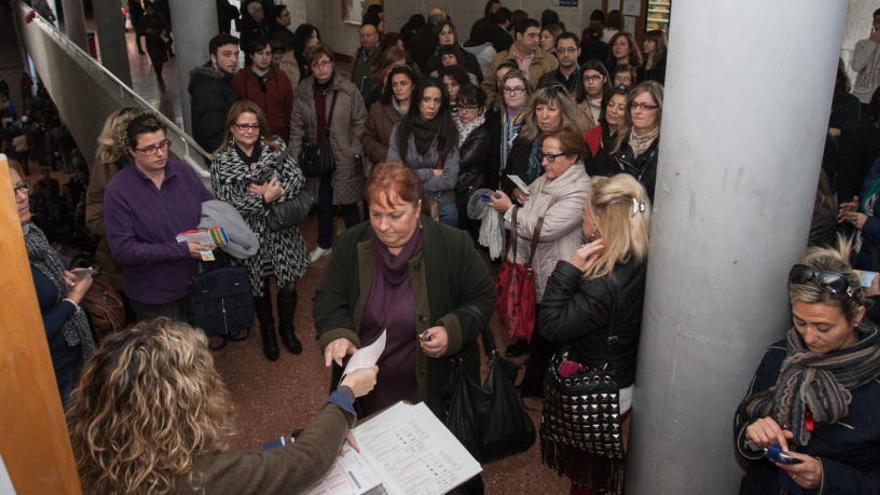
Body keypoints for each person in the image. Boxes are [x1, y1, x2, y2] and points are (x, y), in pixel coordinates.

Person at [67, 317, 379, 494]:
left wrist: (286, 442)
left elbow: (246, 469)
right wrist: (346, 393)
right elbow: (305, 462)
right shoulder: (196, 478)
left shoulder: (105, 454)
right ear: (181, 403)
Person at [314, 162, 494, 418]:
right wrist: (337, 333)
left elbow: (483, 297)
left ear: (418, 208)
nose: (383, 226)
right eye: (376, 214)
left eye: (395, 215)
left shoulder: (454, 245)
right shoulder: (351, 243)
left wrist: (452, 329)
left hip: (433, 388)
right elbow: (329, 296)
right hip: (367, 389)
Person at [734, 241, 880, 494]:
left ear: (857, 316)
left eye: (823, 327)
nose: (809, 338)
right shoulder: (779, 355)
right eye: (800, 322)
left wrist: (826, 478)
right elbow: (744, 424)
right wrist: (752, 434)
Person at [540, 173, 650, 495]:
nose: (581, 217)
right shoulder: (636, 256)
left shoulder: (606, 284)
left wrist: (569, 268)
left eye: (585, 212)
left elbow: (551, 325)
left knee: (587, 477)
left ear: (601, 223)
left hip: (598, 392)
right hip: (618, 378)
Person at [488, 128, 591, 393]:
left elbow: (544, 229)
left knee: (549, 331)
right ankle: (532, 364)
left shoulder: (579, 189)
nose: (544, 163)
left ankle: (534, 385)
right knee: (536, 319)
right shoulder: (549, 178)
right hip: (538, 265)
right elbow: (531, 204)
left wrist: (509, 210)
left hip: (556, 268)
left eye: (551, 157)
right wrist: (520, 199)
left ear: (573, 157)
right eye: (544, 155)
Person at [210, 101, 308, 360]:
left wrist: (275, 191)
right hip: (249, 235)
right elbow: (227, 204)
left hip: (282, 230)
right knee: (259, 286)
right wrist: (264, 198)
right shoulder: (221, 162)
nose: (250, 131)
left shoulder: (275, 146)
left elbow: (297, 178)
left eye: (254, 125)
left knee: (288, 284)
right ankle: (268, 332)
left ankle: (287, 329)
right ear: (232, 128)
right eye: (243, 126)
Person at [104, 114, 214, 321]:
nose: (160, 153)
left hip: (198, 283)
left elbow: (209, 208)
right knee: (169, 353)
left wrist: (212, 235)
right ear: (131, 151)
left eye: (163, 144)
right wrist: (182, 250)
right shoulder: (118, 191)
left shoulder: (183, 172)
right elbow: (123, 251)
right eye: (149, 149)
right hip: (155, 298)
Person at [10, 161, 95, 406]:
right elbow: (28, 334)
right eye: (10, 192)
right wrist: (73, 299)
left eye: (22, 186)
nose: (22, 196)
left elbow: (45, 280)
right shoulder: (8, 260)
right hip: (51, 368)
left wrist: (63, 276)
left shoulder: (31, 232)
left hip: (74, 350)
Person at [290, 44, 367, 263]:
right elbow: (296, 128)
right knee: (323, 202)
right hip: (317, 157)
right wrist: (296, 158)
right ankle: (324, 244)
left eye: (325, 63)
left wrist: (354, 151)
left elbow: (361, 121)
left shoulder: (349, 89)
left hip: (344, 155)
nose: (321, 68)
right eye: (316, 64)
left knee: (350, 203)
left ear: (332, 63)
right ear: (310, 68)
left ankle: (358, 246)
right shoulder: (303, 91)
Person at [387, 77, 460, 226]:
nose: (432, 106)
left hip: (442, 207)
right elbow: (394, 173)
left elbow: (450, 179)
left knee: (444, 249)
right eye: (426, 99)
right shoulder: (401, 129)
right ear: (417, 101)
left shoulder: (449, 130)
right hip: (408, 204)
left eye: (437, 100)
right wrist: (430, 172)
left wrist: (410, 178)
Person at [86, 108, 143, 291]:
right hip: (123, 265)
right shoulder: (104, 168)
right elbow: (93, 219)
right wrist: (130, 228)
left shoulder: (163, 158)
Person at [503, 85, 583, 198]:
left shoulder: (572, 144)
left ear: (563, 113)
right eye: (539, 109)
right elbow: (507, 176)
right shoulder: (523, 139)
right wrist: (515, 191)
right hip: (521, 209)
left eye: (551, 109)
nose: (544, 116)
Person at [482, 18, 558, 105]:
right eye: (531, 35)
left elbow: (557, 90)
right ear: (519, 36)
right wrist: (496, 106)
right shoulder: (500, 58)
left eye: (538, 36)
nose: (537, 40)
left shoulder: (550, 60)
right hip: (504, 114)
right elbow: (487, 86)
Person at [609, 81, 663, 201]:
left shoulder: (665, 147)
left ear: (659, 110)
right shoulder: (619, 139)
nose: (637, 111)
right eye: (634, 105)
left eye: (645, 106)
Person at [232, 38, 294, 141]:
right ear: (251, 55)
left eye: (268, 54)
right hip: (249, 137)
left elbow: (289, 107)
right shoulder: (240, 79)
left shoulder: (281, 77)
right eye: (260, 53)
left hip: (279, 136)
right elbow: (236, 111)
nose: (265, 57)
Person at [189, 34, 240, 153]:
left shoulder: (222, 80)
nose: (234, 59)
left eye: (236, 54)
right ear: (213, 57)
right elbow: (214, 136)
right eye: (227, 54)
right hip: (225, 157)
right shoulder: (209, 90)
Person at [454, 84, 493, 235]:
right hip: (456, 187)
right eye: (460, 107)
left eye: (469, 108)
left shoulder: (481, 134)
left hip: (469, 189)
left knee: (466, 231)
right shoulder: (454, 125)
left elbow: (461, 162)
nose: (463, 112)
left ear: (480, 109)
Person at [363, 65, 417, 167]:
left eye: (403, 83)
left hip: (417, 171)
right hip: (386, 168)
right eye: (394, 85)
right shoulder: (378, 109)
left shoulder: (424, 108)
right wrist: (388, 155)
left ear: (413, 85)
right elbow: (367, 138)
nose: (398, 88)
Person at [490, 67, 532, 190]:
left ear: (527, 91)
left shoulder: (534, 119)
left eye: (518, 89)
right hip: (496, 182)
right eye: (507, 89)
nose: (512, 94)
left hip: (524, 186)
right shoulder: (494, 115)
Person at [583, 84, 628, 177]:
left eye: (621, 108)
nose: (613, 110)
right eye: (611, 105)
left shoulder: (631, 139)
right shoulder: (592, 134)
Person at [362, 45, 409, 110]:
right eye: (397, 67)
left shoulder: (405, 85)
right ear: (386, 67)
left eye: (403, 67)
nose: (401, 71)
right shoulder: (372, 86)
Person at [851, 8, 880, 113]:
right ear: (873, 23)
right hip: (859, 98)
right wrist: (872, 42)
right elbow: (856, 66)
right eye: (878, 22)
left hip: (877, 102)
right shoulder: (862, 44)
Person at [138, 4, 170, 91]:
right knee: (155, 59)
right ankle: (159, 75)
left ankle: (159, 74)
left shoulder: (159, 16)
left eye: (150, 9)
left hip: (159, 41)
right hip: (151, 42)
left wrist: (164, 31)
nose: (149, 11)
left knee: (160, 59)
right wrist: (146, 31)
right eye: (148, 10)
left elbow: (166, 26)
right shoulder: (144, 19)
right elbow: (140, 31)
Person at [575, 60, 611, 129]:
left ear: (605, 79)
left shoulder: (614, 102)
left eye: (595, 77)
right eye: (586, 78)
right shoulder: (573, 103)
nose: (590, 82)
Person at [352, 20, 381, 95]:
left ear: (377, 36)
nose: (365, 39)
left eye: (369, 35)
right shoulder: (358, 54)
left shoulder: (381, 56)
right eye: (362, 36)